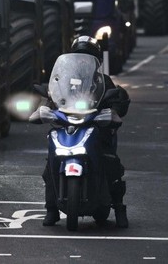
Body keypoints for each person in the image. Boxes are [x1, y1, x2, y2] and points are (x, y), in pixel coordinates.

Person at [40, 35, 130, 228]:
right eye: (79, 55)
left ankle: (120, 209)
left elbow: (117, 99)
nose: (82, 60)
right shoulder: (63, 79)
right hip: (67, 126)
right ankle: (51, 209)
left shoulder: (103, 81)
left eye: (87, 56)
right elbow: (52, 96)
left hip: (95, 127)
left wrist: (115, 107)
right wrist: (46, 108)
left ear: (95, 60)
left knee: (111, 163)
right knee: (50, 164)